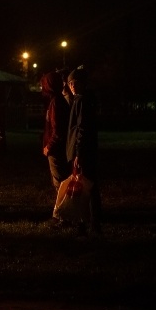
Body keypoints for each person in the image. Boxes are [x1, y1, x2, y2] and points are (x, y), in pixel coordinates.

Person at [65, 67, 101, 236]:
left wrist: (78, 152)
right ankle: (88, 221)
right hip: (87, 149)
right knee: (88, 186)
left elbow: (82, 128)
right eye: (70, 83)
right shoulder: (81, 100)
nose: (72, 86)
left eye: (75, 83)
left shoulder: (81, 101)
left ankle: (91, 223)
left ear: (82, 84)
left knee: (87, 186)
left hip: (84, 151)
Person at [41, 71, 70, 195]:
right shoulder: (57, 101)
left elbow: (57, 130)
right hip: (58, 148)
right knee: (60, 179)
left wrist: (49, 146)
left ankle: (63, 211)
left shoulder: (56, 103)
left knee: (60, 181)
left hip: (56, 150)